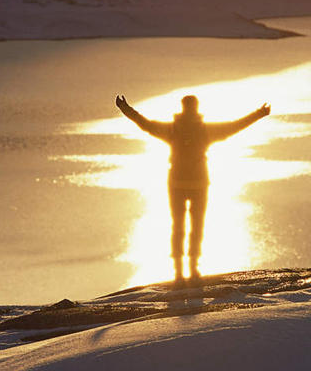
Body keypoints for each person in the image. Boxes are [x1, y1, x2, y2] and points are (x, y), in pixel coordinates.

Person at [115, 94, 270, 284]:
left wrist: (125, 109)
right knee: (195, 226)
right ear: (195, 108)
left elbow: (145, 124)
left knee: (179, 226)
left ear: (183, 108)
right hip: (197, 184)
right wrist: (259, 114)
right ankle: (192, 269)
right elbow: (234, 126)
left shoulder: (173, 129)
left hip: (179, 184)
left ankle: (180, 271)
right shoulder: (203, 130)